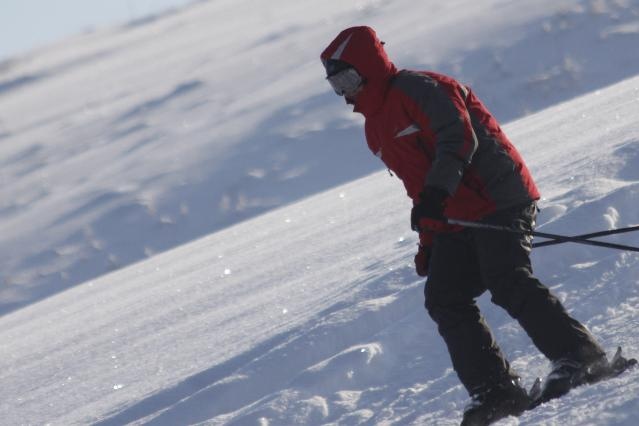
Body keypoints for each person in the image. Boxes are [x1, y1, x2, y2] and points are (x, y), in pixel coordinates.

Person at [320, 26, 612, 425]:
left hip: (497, 196)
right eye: (337, 85)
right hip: (455, 216)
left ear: (368, 67)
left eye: (349, 80)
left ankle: (580, 357)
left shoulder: (421, 90)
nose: (345, 93)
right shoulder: (376, 127)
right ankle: (497, 392)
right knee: (443, 296)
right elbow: (418, 187)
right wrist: (429, 240)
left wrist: (437, 195)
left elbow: (458, 138)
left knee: (506, 277)